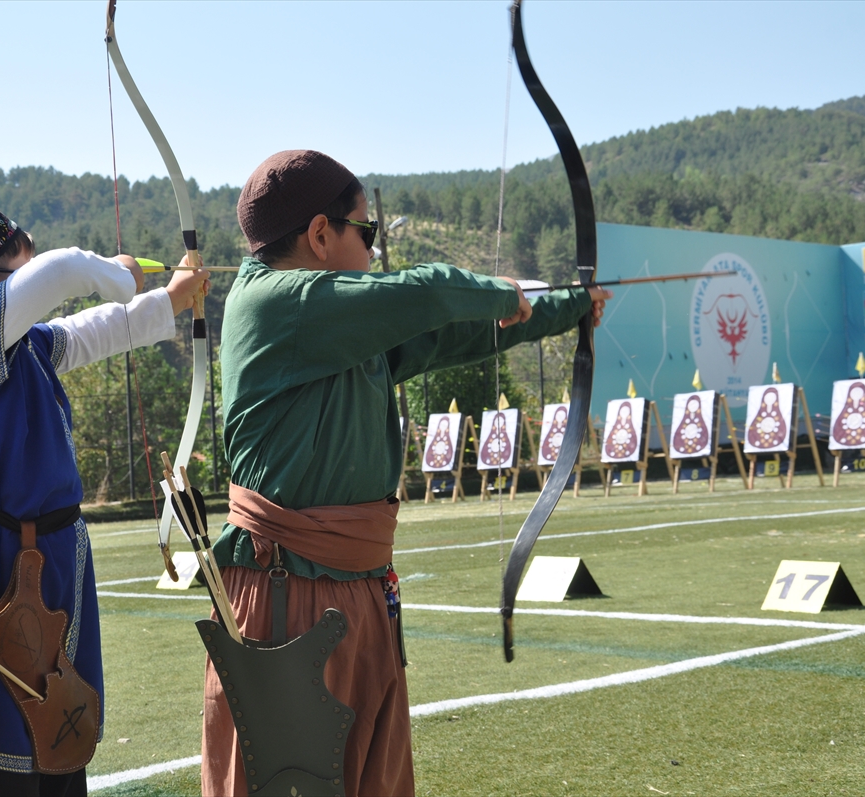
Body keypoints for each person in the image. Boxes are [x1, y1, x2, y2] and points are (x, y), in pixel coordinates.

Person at [203, 150, 610, 796]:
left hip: (359, 591)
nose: (372, 248)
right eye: (365, 231)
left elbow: (455, 333)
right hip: (289, 594)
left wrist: (567, 307)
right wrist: (498, 289)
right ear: (319, 234)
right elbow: (423, 294)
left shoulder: (339, 327)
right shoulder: (277, 303)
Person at [0, 201, 208, 796]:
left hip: (49, 554)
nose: (30, 277)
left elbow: (90, 331)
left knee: (58, 731)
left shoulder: (20, 345)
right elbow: (66, 270)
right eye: (19, 268)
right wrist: (118, 275)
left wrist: (172, 298)